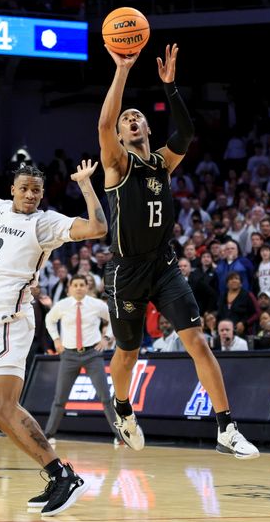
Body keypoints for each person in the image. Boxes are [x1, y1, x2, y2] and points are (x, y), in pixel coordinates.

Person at [0, 102, 110, 516]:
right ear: (13, 190)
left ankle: (62, 474)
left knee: (4, 407)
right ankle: (56, 474)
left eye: (37, 190)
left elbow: (97, 229)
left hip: (10, 319)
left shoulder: (46, 222)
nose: (31, 194)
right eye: (25, 189)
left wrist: (87, 187)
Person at [97, 43, 257, 460]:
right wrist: (122, 71)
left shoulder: (162, 163)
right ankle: (122, 407)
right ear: (120, 133)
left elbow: (186, 134)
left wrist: (169, 88)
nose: (131, 120)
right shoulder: (117, 164)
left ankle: (226, 428)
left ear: (147, 130)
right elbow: (104, 124)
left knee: (197, 342)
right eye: (126, 119)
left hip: (164, 265)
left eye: (138, 118)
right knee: (127, 351)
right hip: (126, 270)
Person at [42, 276, 119, 444]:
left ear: (86, 287)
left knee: (105, 397)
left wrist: (107, 338)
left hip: (92, 354)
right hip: (69, 355)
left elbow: (113, 317)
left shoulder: (96, 304)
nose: (78, 288)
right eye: (75, 285)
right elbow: (49, 320)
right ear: (69, 288)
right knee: (60, 398)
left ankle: (119, 435)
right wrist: (55, 339)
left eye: (81, 285)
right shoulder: (62, 305)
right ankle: (48, 434)